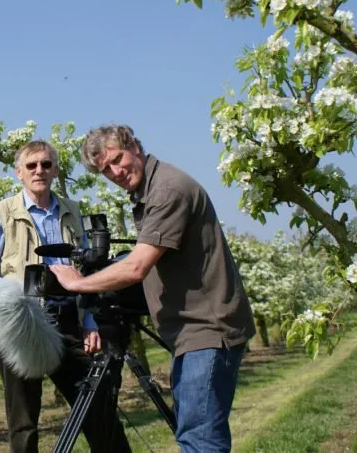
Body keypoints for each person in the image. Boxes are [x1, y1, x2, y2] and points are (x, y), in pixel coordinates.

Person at [50, 125, 255, 453]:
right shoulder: (149, 190)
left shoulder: (167, 190)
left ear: (134, 146)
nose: (115, 172)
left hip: (208, 329)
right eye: (105, 169)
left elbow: (137, 267)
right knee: (194, 432)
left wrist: (78, 283)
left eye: (117, 159)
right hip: (193, 330)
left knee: (199, 440)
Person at [0, 140, 130, 453]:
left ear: (56, 170)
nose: (39, 171)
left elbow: (86, 271)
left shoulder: (73, 211)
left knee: (97, 409)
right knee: (24, 421)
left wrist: (89, 319)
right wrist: (10, 298)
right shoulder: (2, 213)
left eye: (46, 164)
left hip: (69, 317)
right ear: (19, 173)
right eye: (31, 166)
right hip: (22, 323)